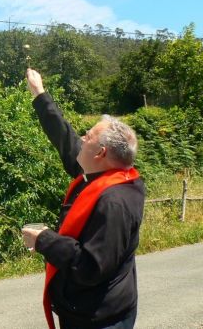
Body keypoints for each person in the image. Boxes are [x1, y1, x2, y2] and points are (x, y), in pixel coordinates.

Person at [22, 68, 145, 329]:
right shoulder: (101, 175)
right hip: (84, 312)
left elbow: (90, 266)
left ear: (100, 153)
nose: (81, 138)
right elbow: (64, 138)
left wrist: (45, 240)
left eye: (87, 136)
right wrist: (39, 94)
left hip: (100, 321)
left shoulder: (115, 202)